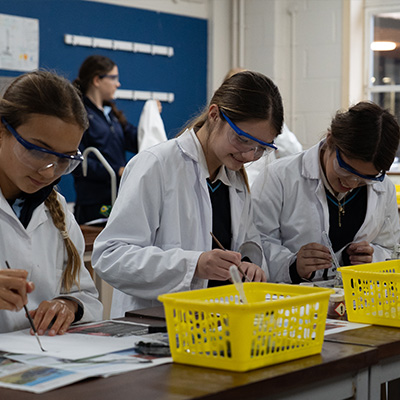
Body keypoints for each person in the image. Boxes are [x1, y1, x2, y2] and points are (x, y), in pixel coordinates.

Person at [92, 71, 283, 317]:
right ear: (214, 115)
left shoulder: (235, 179)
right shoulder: (156, 165)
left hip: (220, 322)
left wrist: (249, 265)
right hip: (155, 324)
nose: (249, 155)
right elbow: (110, 257)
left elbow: (247, 244)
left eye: (260, 148)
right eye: (242, 139)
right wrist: (193, 265)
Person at [0, 70, 103, 334]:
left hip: (39, 354)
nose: (48, 173)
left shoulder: (56, 210)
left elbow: (86, 295)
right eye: (37, 151)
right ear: (2, 130)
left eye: (64, 159)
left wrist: (68, 305)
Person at [252, 101, 400, 283]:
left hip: (356, 295)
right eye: (346, 170)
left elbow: (390, 249)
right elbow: (257, 245)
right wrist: (293, 265)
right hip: (293, 295)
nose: (352, 183)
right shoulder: (279, 177)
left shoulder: (383, 188)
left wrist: (371, 257)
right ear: (330, 140)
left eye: (365, 179)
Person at [72, 55, 139, 225]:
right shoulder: (79, 114)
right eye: (114, 78)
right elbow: (76, 161)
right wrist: (116, 170)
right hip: (94, 203)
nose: (118, 84)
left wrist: (151, 116)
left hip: (118, 196)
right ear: (97, 80)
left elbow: (138, 140)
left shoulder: (112, 115)